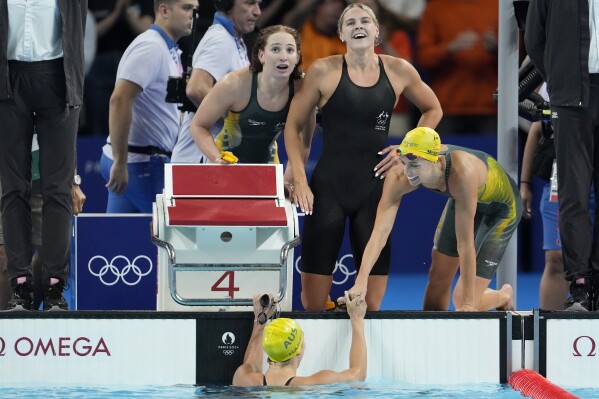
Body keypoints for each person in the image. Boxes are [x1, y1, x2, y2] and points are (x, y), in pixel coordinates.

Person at [284, 3, 442, 311]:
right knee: (313, 303)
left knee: (371, 304)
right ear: (342, 33)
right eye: (351, 22)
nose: (359, 25)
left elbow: (433, 108)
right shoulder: (322, 71)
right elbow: (293, 126)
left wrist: (408, 148)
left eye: (365, 20)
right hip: (327, 190)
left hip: (375, 191)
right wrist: (300, 179)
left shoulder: (399, 70)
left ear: (377, 30)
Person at [346, 127, 520, 311]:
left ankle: (503, 296)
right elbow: (379, 233)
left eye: (415, 165)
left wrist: (468, 305)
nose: (408, 172)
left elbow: (465, 244)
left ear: (436, 159)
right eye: (404, 163)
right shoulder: (399, 176)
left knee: (462, 300)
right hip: (462, 199)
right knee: (438, 278)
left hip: (501, 211)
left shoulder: (462, 174)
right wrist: (361, 281)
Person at [0, 1, 87, 310]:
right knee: (13, 188)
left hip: (59, 77)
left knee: (58, 190)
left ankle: (54, 287)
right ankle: (20, 284)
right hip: (9, 77)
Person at [525, 0, 599, 312]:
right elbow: (534, 39)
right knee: (574, 193)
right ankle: (580, 283)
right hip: (572, 95)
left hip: (571, 93)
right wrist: (559, 78)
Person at [100, 0, 197, 213]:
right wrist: (120, 161)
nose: (193, 15)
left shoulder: (168, 48)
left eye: (195, 9)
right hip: (140, 164)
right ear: (164, 10)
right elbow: (120, 100)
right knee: (172, 237)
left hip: (138, 161)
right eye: (187, 8)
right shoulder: (151, 47)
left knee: (119, 241)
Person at [189, 25, 315, 178]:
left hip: (267, 166)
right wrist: (216, 159)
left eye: (290, 50)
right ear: (261, 55)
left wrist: (288, 180)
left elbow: (304, 144)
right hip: (224, 163)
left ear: (297, 57)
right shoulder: (234, 84)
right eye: (275, 49)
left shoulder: (304, 89)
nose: (283, 56)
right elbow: (198, 126)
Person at [170, 0, 262, 164]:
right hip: (197, 160)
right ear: (227, 4)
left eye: (258, 4)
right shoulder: (220, 39)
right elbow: (196, 89)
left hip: (211, 159)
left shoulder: (234, 41)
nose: (257, 11)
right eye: (250, 3)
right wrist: (239, 124)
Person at [232, 291, 367, 386]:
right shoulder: (314, 384)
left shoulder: (242, 378)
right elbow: (357, 374)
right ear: (299, 350)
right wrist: (357, 318)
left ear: (268, 350)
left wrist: (259, 320)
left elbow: (250, 366)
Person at [416, 0, 499, 135]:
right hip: (446, 107)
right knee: (440, 155)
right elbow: (423, 58)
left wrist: (497, 49)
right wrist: (449, 48)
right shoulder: (435, 8)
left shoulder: (498, 6)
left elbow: (517, 57)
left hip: (489, 106)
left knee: (492, 156)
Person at [85, 0, 154, 136]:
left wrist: (126, 10)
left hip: (133, 62)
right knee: (99, 111)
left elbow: (146, 30)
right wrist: (116, 12)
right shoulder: (94, 3)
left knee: (131, 111)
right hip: (100, 62)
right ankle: (96, 146)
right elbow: (91, 32)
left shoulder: (141, 3)